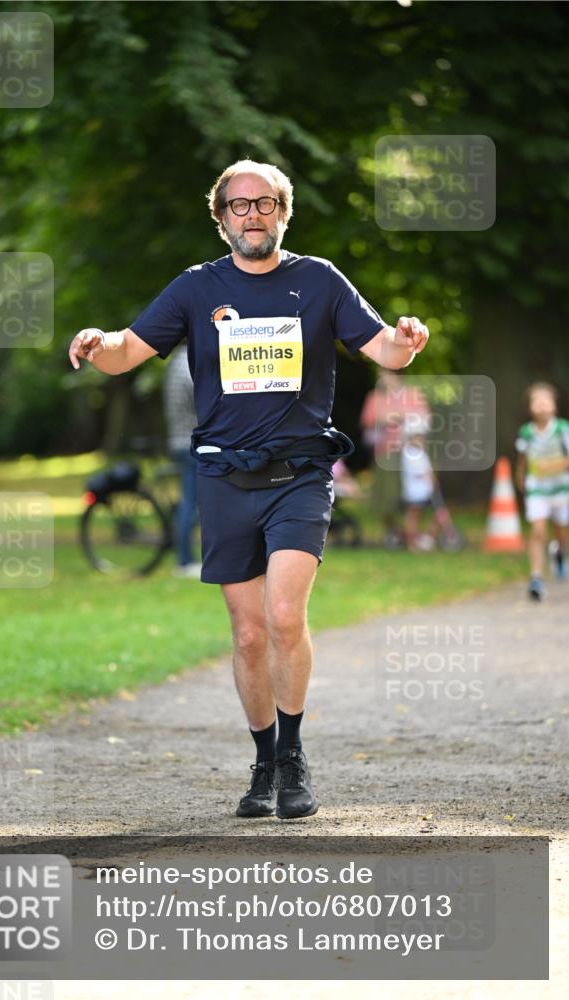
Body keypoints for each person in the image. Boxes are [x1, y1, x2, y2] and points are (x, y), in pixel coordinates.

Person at [69, 159, 429, 820]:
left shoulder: (318, 280)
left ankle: (293, 760)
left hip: (299, 472)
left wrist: (407, 342)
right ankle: (262, 760)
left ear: (283, 212)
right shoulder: (193, 289)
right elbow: (128, 350)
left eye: (264, 204)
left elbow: (383, 349)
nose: (252, 215)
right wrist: (99, 341)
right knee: (248, 635)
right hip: (224, 476)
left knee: (285, 616)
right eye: (239, 206)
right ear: (221, 218)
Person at [359, 371, 430, 546]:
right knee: (387, 497)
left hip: (409, 453)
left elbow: (423, 420)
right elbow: (368, 421)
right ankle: (394, 532)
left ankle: (410, 535)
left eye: (384, 373)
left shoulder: (412, 394)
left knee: (413, 496)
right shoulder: (375, 397)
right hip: (385, 453)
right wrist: (395, 418)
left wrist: (395, 418)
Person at [514, 382, 569, 601]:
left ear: (554, 405)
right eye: (537, 401)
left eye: (546, 400)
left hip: (560, 488)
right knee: (537, 531)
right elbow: (523, 457)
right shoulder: (526, 432)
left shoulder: (563, 429)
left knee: (559, 529)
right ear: (530, 407)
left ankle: (559, 554)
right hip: (537, 489)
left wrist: (553, 466)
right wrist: (520, 476)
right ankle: (536, 577)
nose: (542, 405)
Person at [162, 342, 201, 578]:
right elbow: (200, 401)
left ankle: (187, 558)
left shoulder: (176, 362)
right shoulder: (187, 364)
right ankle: (185, 560)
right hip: (190, 442)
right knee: (191, 502)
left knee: (190, 500)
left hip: (179, 440)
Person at [399, 413, 437, 551]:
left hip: (422, 491)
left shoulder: (418, 452)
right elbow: (421, 471)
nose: (422, 439)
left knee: (420, 516)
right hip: (415, 491)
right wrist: (430, 477)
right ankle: (411, 543)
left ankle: (421, 540)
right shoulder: (411, 452)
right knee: (412, 517)